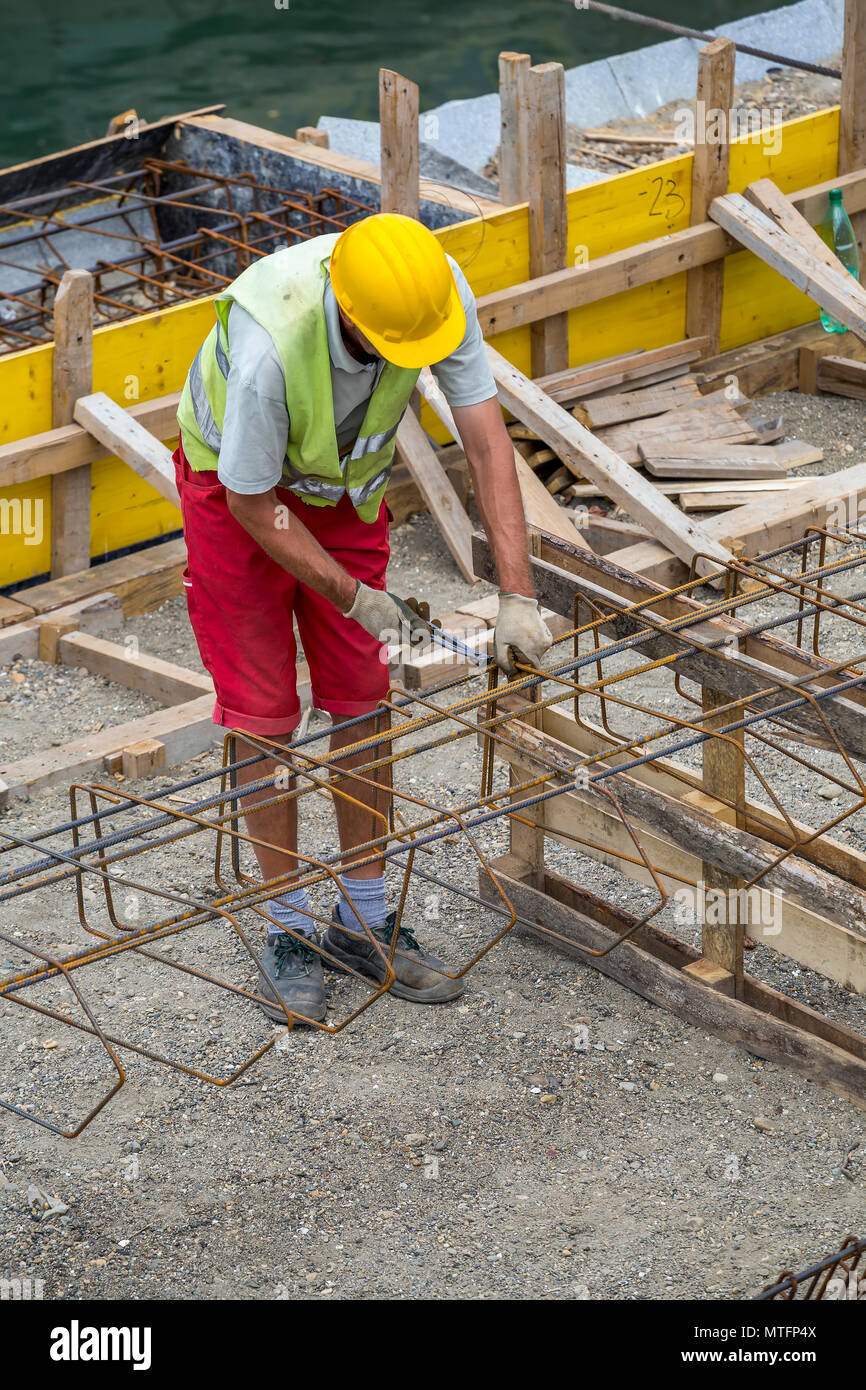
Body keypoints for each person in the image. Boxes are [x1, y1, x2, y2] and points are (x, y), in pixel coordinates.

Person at [174, 212, 552, 1022]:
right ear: (349, 313)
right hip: (236, 495)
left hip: (341, 487)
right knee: (265, 714)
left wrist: (517, 593)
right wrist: (353, 595)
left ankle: (365, 916)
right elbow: (250, 498)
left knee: (363, 697)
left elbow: (487, 443)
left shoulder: (427, 296)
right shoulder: (272, 346)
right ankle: (286, 927)